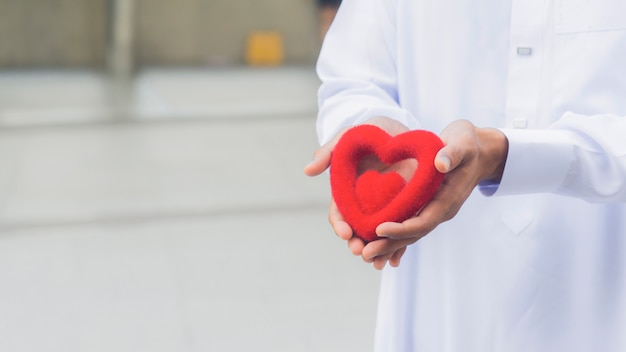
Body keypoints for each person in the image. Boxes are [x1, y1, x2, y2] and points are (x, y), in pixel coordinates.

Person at [304, 0, 626, 351]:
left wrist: (507, 154)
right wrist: (370, 131)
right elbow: (352, 77)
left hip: (604, 299)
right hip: (438, 294)